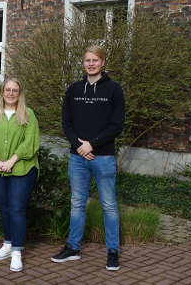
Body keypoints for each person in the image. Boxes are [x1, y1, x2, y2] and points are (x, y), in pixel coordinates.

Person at [51, 46, 125, 271]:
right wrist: (78, 146)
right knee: (77, 204)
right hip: (77, 158)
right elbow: (66, 121)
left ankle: (113, 251)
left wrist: (91, 144)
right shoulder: (74, 89)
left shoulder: (114, 89)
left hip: (103, 157)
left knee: (109, 205)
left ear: (103, 62)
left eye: (95, 60)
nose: (91, 64)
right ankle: (73, 248)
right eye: (87, 60)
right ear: (83, 63)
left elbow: (116, 125)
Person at [0, 78, 40, 272]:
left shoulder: (28, 114)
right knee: (4, 208)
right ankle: (7, 243)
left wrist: (12, 160)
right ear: (2, 92)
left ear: (20, 93)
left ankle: (16, 251)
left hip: (22, 168)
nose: (11, 93)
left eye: (15, 90)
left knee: (16, 209)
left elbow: (31, 143)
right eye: (8, 90)